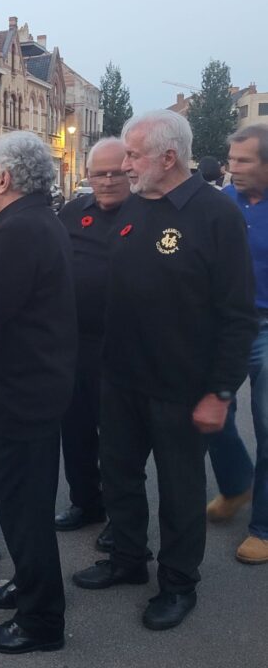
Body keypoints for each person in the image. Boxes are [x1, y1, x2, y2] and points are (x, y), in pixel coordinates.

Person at [73, 111, 257, 630]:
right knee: (120, 476)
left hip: (182, 387)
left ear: (168, 157)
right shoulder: (134, 206)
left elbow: (237, 315)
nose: (124, 165)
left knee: (179, 491)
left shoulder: (214, 215)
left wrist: (220, 392)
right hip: (121, 378)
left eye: (133, 155)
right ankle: (128, 559)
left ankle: (178, 583)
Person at [0, 132, 76, 655]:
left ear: (5, 178)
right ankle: (29, 582)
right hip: (33, 386)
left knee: (24, 508)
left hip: (18, 394)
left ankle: (41, 620)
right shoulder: (36, 221)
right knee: (23, 507)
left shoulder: (19, 231)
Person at [54, 138, 130, 542]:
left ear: (130, 171)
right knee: (75, 429)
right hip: (74, 343)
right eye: (99, 173)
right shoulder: (72, 212)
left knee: (117, 440)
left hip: (120, 346)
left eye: (116, 172)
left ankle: (121, 518)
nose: (107, 180)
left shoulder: (143, 213)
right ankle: (85, 501)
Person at [206, 124, 268, 563]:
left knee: (267, 425)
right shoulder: (222, 202)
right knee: (210, 412)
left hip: (266, 327)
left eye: (244, 160)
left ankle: (263, 528)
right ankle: (236, 483)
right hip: (224, 326)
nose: (234, 167)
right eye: (232, 159)